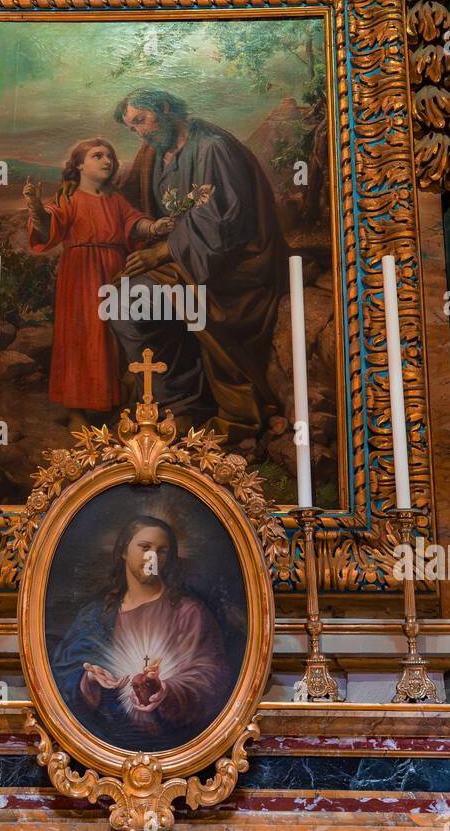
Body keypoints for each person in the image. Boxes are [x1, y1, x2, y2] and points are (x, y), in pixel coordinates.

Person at [112, 87, 283, 442]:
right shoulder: (153, 154)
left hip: (231, 266)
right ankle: (176, 401)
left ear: (163, 107)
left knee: (131, 301)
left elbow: (225, 221)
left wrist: (162, 253)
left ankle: (186, 404)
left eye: (142, 120)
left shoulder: (212, 147)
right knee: (122, 299)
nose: (140, 132)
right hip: (189, 257)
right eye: (133, 128)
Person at [24, 138, 173, 423]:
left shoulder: (115, 199)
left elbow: (134, 223)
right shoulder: (68, 199)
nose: (108, 161)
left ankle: (113, 402)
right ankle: (76, 409)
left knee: (114, 337)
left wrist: (154, 226)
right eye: (98, 156)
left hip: (116, 274)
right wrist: (34, 206)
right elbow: (47, 228)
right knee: (82, 337)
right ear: (79, 164)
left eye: (111, 157)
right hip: (80, 276)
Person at [50, 515, 231, 751]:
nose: (152, 557)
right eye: (145, 547)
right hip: (102, 746)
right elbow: (62, 676)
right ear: (124, 550)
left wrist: (166, 690)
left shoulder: (189, 613)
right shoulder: (96, 615)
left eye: (162, 551)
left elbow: (211, 679)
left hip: (172, 747)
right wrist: (90, 679)